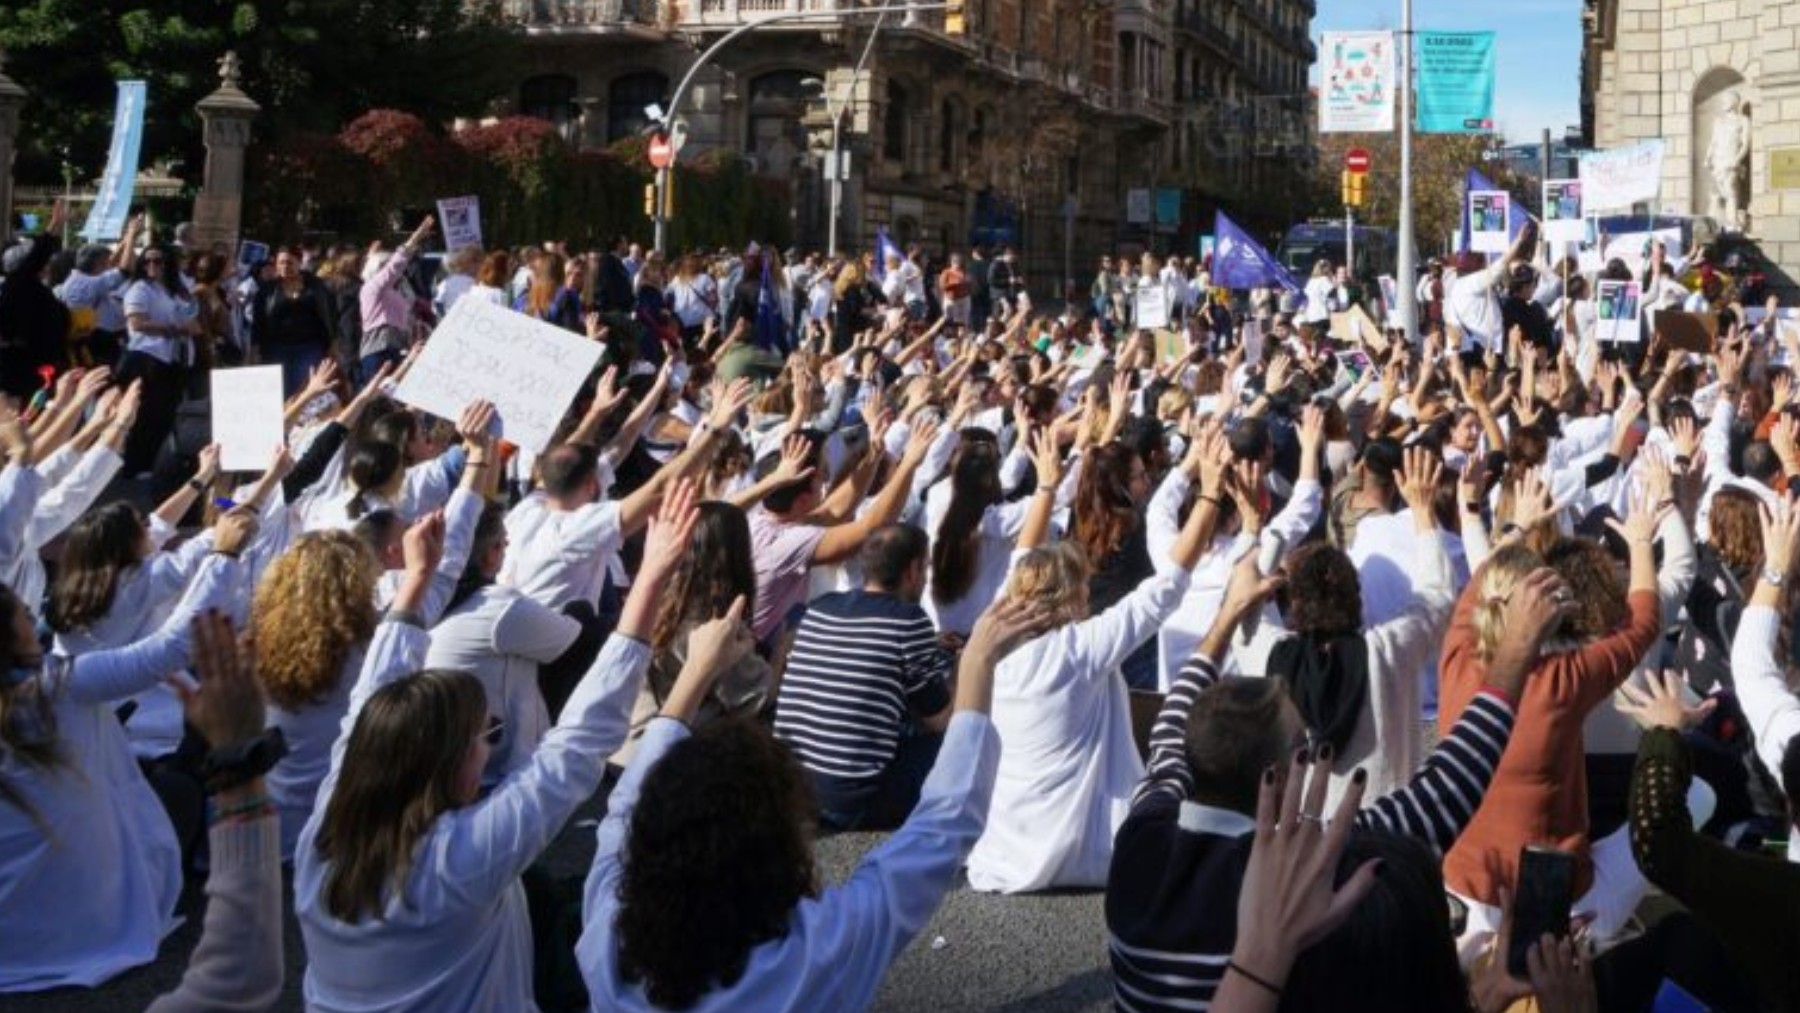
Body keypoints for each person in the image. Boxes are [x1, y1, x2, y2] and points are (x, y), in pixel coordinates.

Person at [294, 490, 707, 1013]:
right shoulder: (460, 858)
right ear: (443, 769)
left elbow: (371, 697)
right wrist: (650, 581)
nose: (490, 741)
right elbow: (576, 746)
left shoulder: (324, 829)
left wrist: (417, 580)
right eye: (483, 736)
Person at [579, 594, 1048, 1011]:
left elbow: (625, 805)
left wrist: (697, 671)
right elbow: (942, 827)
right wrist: (977, 665)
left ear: (654, 834)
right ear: (782, 844)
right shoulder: (819, 951)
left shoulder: (607, 930)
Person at [963, 424, 1227, 893]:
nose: (1089, 599)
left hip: (1005, 849)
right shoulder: (1079, 649)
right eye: (1083, 590)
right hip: (1086, 852)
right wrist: (1208, 496)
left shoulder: (991, 637)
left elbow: (1023, 556)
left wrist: (1047, 484)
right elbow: (1166, 588)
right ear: (1067, 600)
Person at [0, 508, 250, 992]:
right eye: (21, 615)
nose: (33, 615)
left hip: (10, 926)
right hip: (82, 919)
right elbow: (167, 650)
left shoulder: (55, 681)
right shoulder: (58, 688)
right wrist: (223, 555)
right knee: (179, 789)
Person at [773, 524, 953, 831]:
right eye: (925, 567)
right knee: (954, 738)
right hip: (850, 802)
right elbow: (941, 720)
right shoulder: (909, 621)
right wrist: (968, 663)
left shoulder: (821, 608)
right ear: (912, 570)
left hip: (788, 786)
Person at [117, 243, 200, 476]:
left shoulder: (172, 289)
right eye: (147, 261)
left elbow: (189, 315)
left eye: (158, 260)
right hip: (147, 358)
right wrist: (176, 329)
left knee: (163, 415)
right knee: (146, 416)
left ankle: (150, 461)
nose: (151, 265)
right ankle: (135, 465)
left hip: (172, 359)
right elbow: (137, 323)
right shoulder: (139, 288)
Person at [251, 246, 339, 398]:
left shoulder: (317, 286)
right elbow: (258, 321)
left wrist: (333, 344)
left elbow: (330, 315)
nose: (285, 267)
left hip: (308, 347)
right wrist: (254, 348)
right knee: (277, 390)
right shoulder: (266, 290)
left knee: (301, 387)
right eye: (281, 263)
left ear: (299, 263)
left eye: (289, 262)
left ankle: (298, 419)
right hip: (275, 347)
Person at [358, 217, 435, 385]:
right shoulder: (372, 288)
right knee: (378, 399)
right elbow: (396, 264)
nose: (400, 272)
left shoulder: (396, 289)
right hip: (379, 349)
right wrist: (416, 237)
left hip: (399, 347)